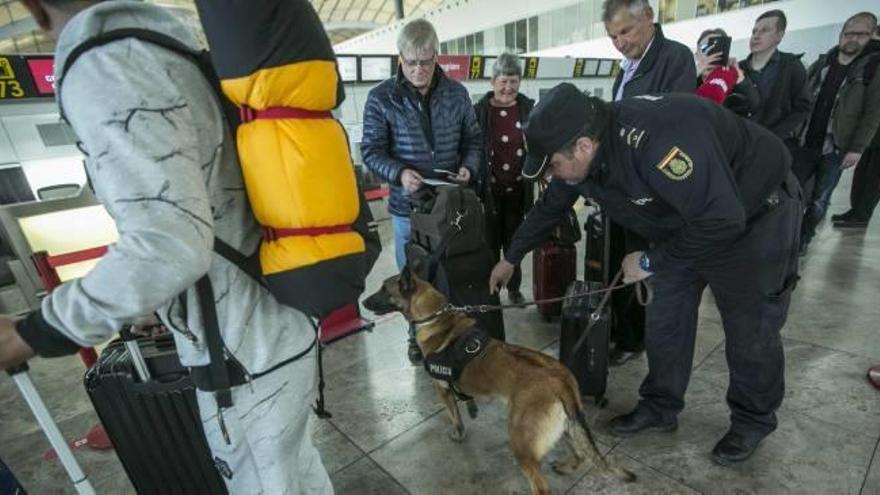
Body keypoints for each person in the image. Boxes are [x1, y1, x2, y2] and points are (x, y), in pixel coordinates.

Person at [1, 1, 332, 492]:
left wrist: (34, 331)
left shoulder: (106, 64)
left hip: (240, 354)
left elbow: (167, 245)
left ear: (32, 6)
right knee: (297, 477)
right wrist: (169, 300)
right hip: (275, 325)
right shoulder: (170, 45)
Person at [489, 83, 801, 466]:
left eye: (553, 164)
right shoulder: (579, 155)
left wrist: (651, 261)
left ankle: (752, 419)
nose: (553, 174)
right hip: (681, 225)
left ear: (584, 146)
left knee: (750, 327)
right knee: (666, 319)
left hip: (751, 220)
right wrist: (511, 256)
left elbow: (722, 218)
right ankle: (660, 406)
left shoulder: (657, 141)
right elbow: (549, 207)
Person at [361, 18, 481, 362]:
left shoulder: (456, 94)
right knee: (412, 282)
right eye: (411, 62)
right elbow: (371, 150)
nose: (418, 70)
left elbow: (473, 139)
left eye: (425, 62)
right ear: (400, 58)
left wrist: (468, 167)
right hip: (406, 209)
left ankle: (454, 336)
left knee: (452, 274)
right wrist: (399, 173)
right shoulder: (381, 98)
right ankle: (417, 337)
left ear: (436, 56)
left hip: (450, 205)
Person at [602, 0, 697, 366]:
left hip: (653, 186)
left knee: (645, 264)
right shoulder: (628, 66)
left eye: (626, 31)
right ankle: (623, 329)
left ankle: (634, 338)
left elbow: (673, 121)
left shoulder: (673, 58)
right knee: (622, 259)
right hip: (625, 182)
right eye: (613, 36)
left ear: (649, 18)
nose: (620, 42)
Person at [796, 12, 880, 253]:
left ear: (871, 35)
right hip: (806, 139)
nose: (853, 39)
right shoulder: (825, 61)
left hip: (836, 146)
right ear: (841, 34)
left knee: (820, 200)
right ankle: (786, 233)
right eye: (849, 33)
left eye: (861, 34)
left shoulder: (871, 68)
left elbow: (873, 113)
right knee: (792, 192)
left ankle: (804, 238)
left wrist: (857, 148)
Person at [473, 53, 535, 305]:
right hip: (488, 192)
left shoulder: (528, 107)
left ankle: (514, 289)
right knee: (489, 246)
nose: (508, 87)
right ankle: (492, 289)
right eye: (503, 81)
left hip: (519, 191)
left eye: (514, 81)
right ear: (492, 81)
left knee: (514, 244)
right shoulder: (479, 111)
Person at [832, 22, 880, 229]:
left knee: (875, 175)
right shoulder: (871, 56)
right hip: (871, 126)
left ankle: (862, 214)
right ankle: (856, 211)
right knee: (863, 171)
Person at [739, 9, 811, 144]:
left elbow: (802, 107)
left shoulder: (791, 66)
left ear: (779, 35)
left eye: (764, 30)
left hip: (774, 145)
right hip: (739, 144)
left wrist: (776, 136)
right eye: (754, 31)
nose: (756, 36)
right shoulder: (738, 68)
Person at [694, 28, 760, 116]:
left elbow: (754, 105)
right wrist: (693, 73)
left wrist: (738, 77)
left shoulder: (733, 79)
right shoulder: (689, 81)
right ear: (696, 55)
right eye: (705, 48)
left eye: (716, 49)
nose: (710, 55)